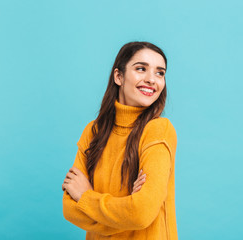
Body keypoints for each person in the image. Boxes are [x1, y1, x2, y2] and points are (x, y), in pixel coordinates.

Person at [62, 41, 178, 240]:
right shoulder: (93, 131)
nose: (152, 79)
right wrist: (126, 210)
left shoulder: (158, 130)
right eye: (141, 69)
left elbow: (141, 213)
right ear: (119, 76)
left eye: (160, 73)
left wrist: (86, 197)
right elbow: (70, 210)